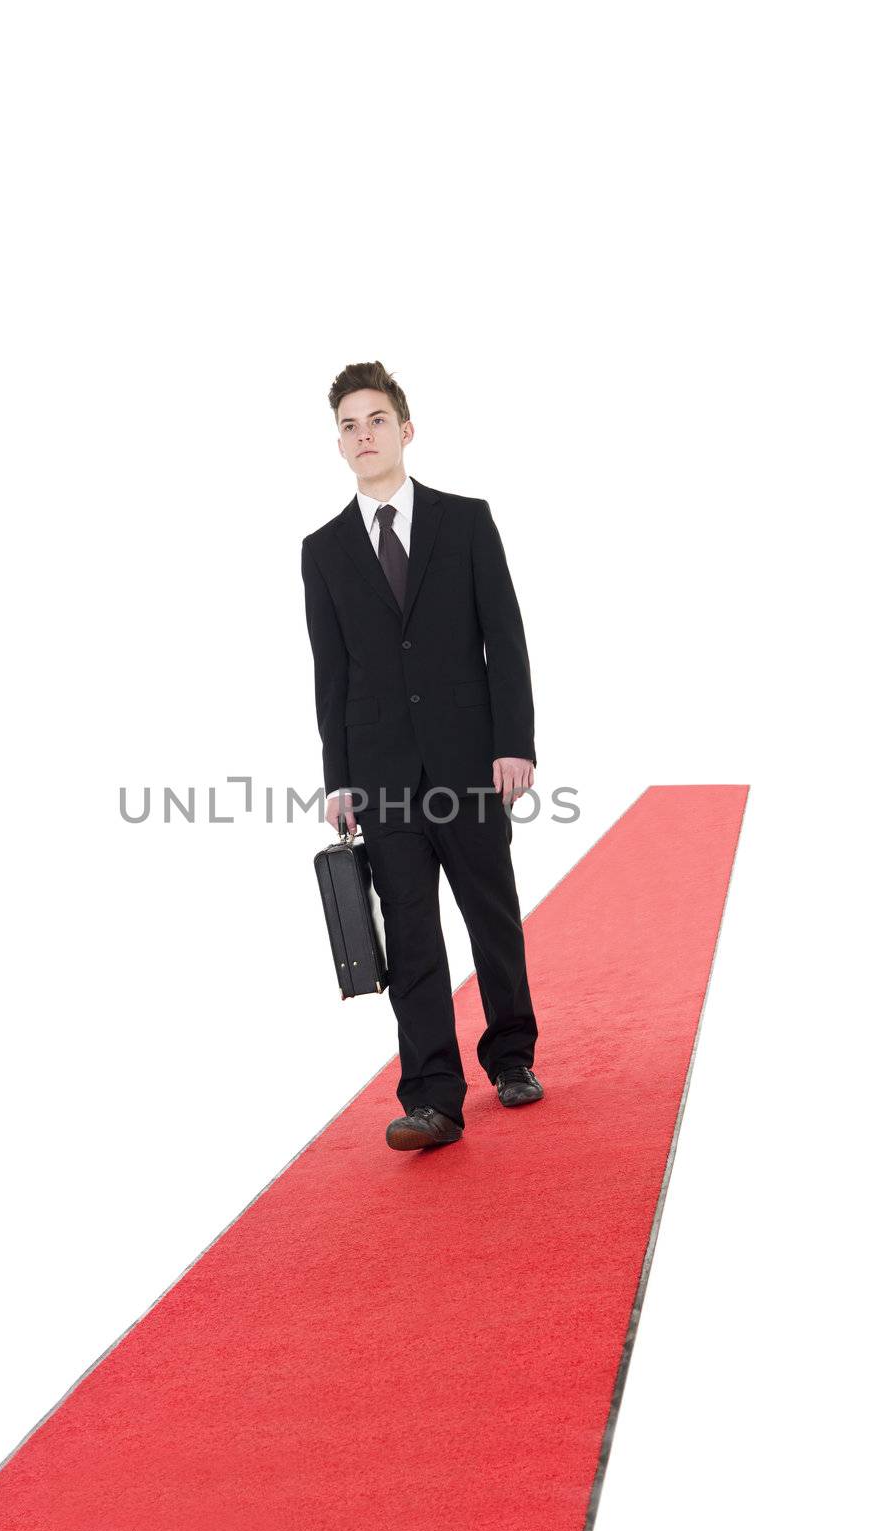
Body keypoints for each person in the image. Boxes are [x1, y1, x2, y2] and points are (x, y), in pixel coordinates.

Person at [301, 361, 543, 1152]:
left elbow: (503, 640)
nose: (363, 435)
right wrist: (339, 779)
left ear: (406, 430)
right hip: (382, 777)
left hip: (471, 762)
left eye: (375, 420)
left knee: (491, 919)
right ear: (338, 445)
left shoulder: (465, 522)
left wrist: (514, 745)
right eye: (348, 426)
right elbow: (330, 673)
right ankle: (433, 1095)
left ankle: (511, 1056)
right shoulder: (324, 551)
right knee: (409, 937)